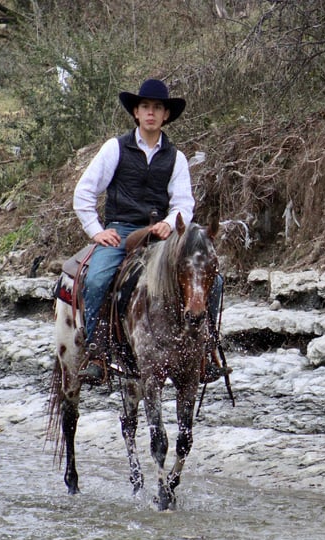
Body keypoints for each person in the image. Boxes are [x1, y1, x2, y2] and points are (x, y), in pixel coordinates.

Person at [73, 78, 224, 384]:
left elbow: (183, 202)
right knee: (98, 277)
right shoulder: (115, 148)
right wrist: (96, 231)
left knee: (213, 279)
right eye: (145, 107)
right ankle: (97, 351)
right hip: (121, 230)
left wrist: (170, 223)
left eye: (157, 108)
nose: (151, 113)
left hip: (163, 234)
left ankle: (205, 349)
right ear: (136, 113)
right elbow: (84, 193)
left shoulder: (176, 157)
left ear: (166, 115)